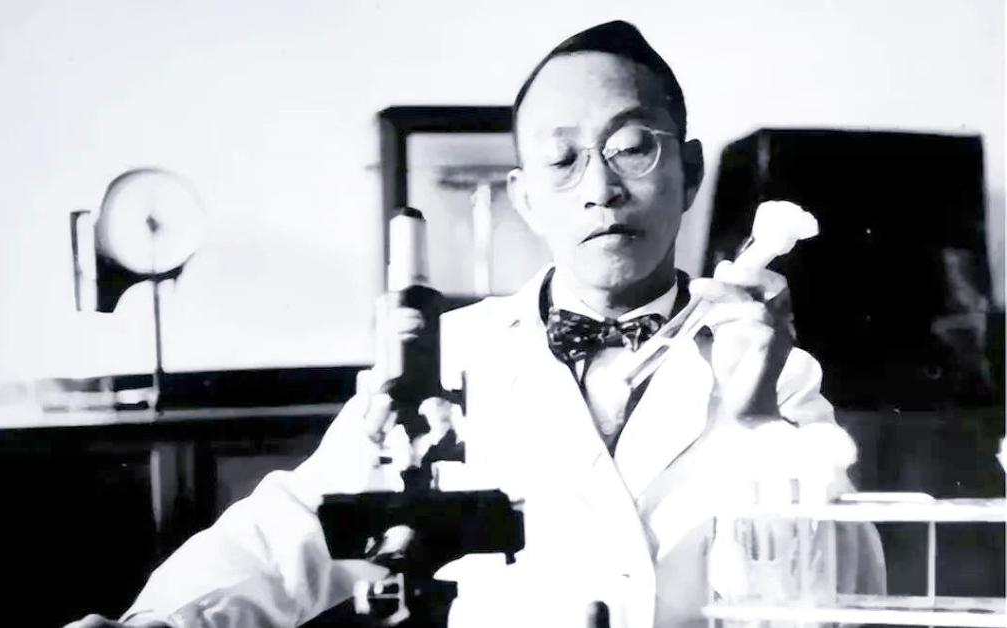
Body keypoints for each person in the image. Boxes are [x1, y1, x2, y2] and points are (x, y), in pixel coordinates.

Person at [67, 20, 885, 628]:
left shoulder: (776, 369)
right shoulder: (451, 355)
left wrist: (755, 422)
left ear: (690, 170)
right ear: (526, 199)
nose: (599, 189)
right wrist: (156, 624)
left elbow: (848, 596)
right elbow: (289, 535)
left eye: (632, 147)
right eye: (562, 160)